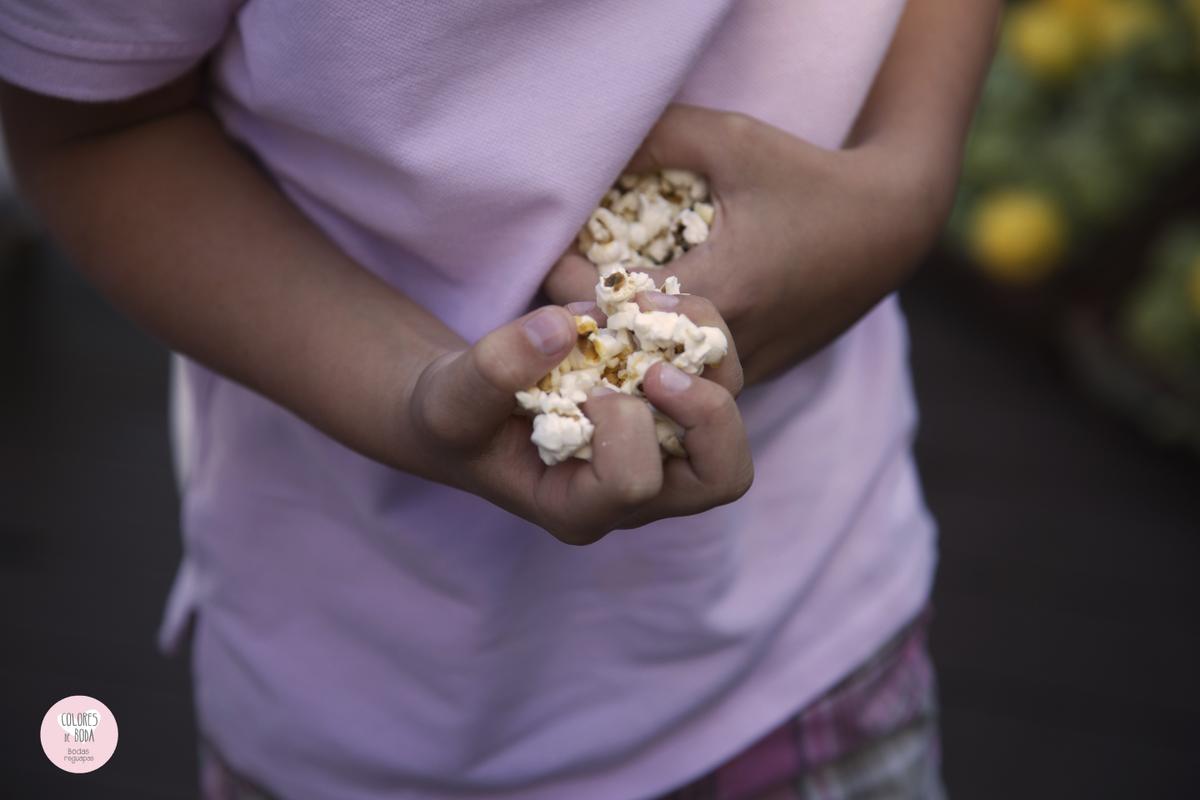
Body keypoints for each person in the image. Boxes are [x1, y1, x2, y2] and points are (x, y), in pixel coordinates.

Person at [0, 1, 999, 797]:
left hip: (813, 622)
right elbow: (96, 128)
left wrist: (902, 186)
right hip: (373, 693)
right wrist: (411, 395)